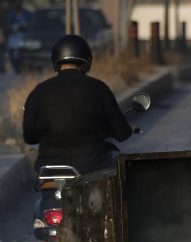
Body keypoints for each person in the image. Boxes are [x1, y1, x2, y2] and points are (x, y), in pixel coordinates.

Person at [23, 35, 134, 174]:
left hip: (49, 168)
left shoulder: (39, 91)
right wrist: (126, 129)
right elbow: (122, 133)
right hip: (93, 166)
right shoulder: (98, 88)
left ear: (55, 61)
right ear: (87, 60)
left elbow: (29, 136)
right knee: (117, 161)